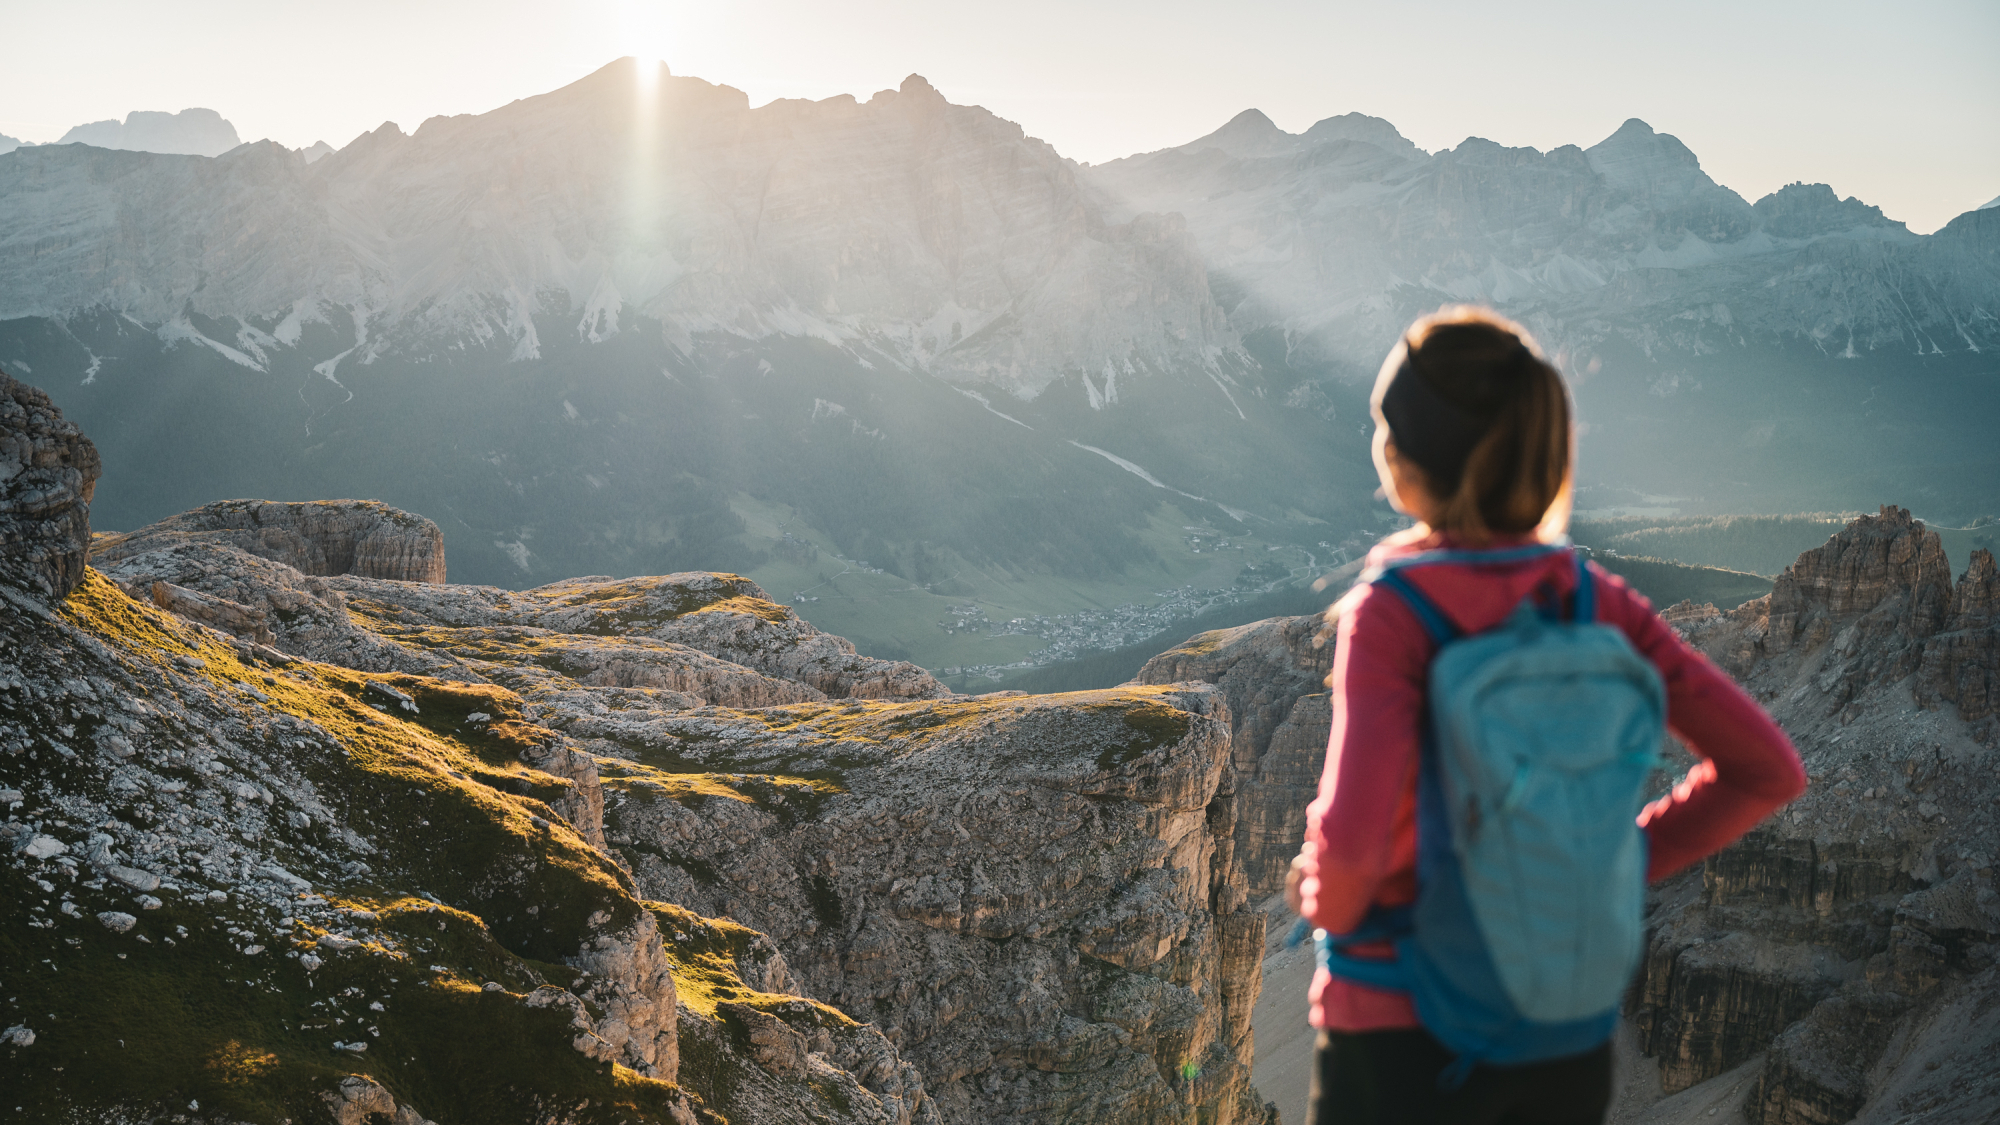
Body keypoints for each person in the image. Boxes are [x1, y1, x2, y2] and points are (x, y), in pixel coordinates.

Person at [1283, 306, 1807, 1125]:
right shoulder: (1600, 604)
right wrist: (1609, 863)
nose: (1380, 442)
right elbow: (1768, 770)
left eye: (1388, 425)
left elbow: (1351, 854)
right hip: (1561, 1044)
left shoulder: (1392, 613)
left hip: (1401, 1040)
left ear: (1409, 459)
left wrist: (1314, 891)